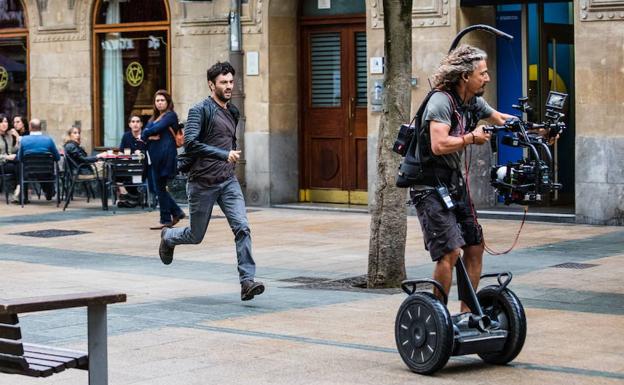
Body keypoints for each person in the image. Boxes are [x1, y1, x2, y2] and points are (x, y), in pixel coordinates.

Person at [410, 45, 514, 316]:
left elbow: (502, 119)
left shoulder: (473, 102)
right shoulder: (441, 102)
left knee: (475, 246)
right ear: (465, 76)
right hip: (429, 186)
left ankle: (467, 315)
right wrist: (471, 138)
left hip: (454, 184)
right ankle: (438, 318)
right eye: (483, 73)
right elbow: (438, 144)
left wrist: (536, 130)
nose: (488, 78)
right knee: (450, 252)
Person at [159, 62, 265, 302]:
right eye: (223, 83)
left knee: (242, 227)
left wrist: (229, 159)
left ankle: (247, 281)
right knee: (196, 235)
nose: (229, 87)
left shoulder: (233, 112)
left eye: (230, 82)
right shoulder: (200, 110)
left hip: (227, 181)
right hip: (202, 182)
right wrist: (222, 154)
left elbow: (229, 140)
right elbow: (191, 144)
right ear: (211, 84)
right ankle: (169, 237)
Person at [141, 90, 185, 229]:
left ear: (167, 102)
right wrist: (149, 134)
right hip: (154, 158)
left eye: (162, 100)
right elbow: (144, 133)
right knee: (156, 188)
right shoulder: (154, 117)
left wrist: (149, 133)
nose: (159, 103)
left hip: (165, 158)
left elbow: (152, 130)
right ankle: (176, 212)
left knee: (159, 188)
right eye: (157, 100)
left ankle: (166, 218)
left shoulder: (170, 116)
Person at [16, 118, 61, 202]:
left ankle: (24, 197)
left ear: (30, 127)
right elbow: (57, 157)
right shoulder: (48, 140)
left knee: (23, 169)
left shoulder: (24, 140)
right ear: (40, 127)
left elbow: (20, 158)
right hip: (46, 171)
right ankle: (49, 192)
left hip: (29, 172)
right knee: (45, 172)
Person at [0, 113, 20, 201]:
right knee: (18, 165)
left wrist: (17, 137)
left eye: (6, 122)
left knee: (20, 164)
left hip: (8, 163)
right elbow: (7, 155)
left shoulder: (8, 135)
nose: (4, 124)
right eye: (1, 122)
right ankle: (20, 190)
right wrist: (6, 157)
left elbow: (12, 150)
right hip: (1, 163)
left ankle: (19, 189)